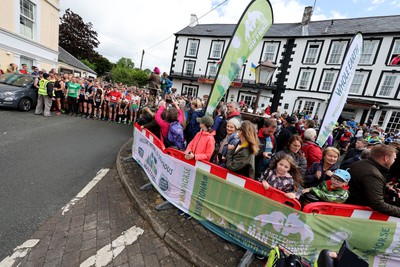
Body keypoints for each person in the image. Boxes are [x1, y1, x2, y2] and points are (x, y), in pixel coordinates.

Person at [346, 144, 399, 217]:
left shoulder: (361, 163)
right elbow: (378, 204)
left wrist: (384, 187)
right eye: (394, 159)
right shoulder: (373, 175)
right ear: (386, 158)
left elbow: (364, 187)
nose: (394, 161)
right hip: (355, 212)